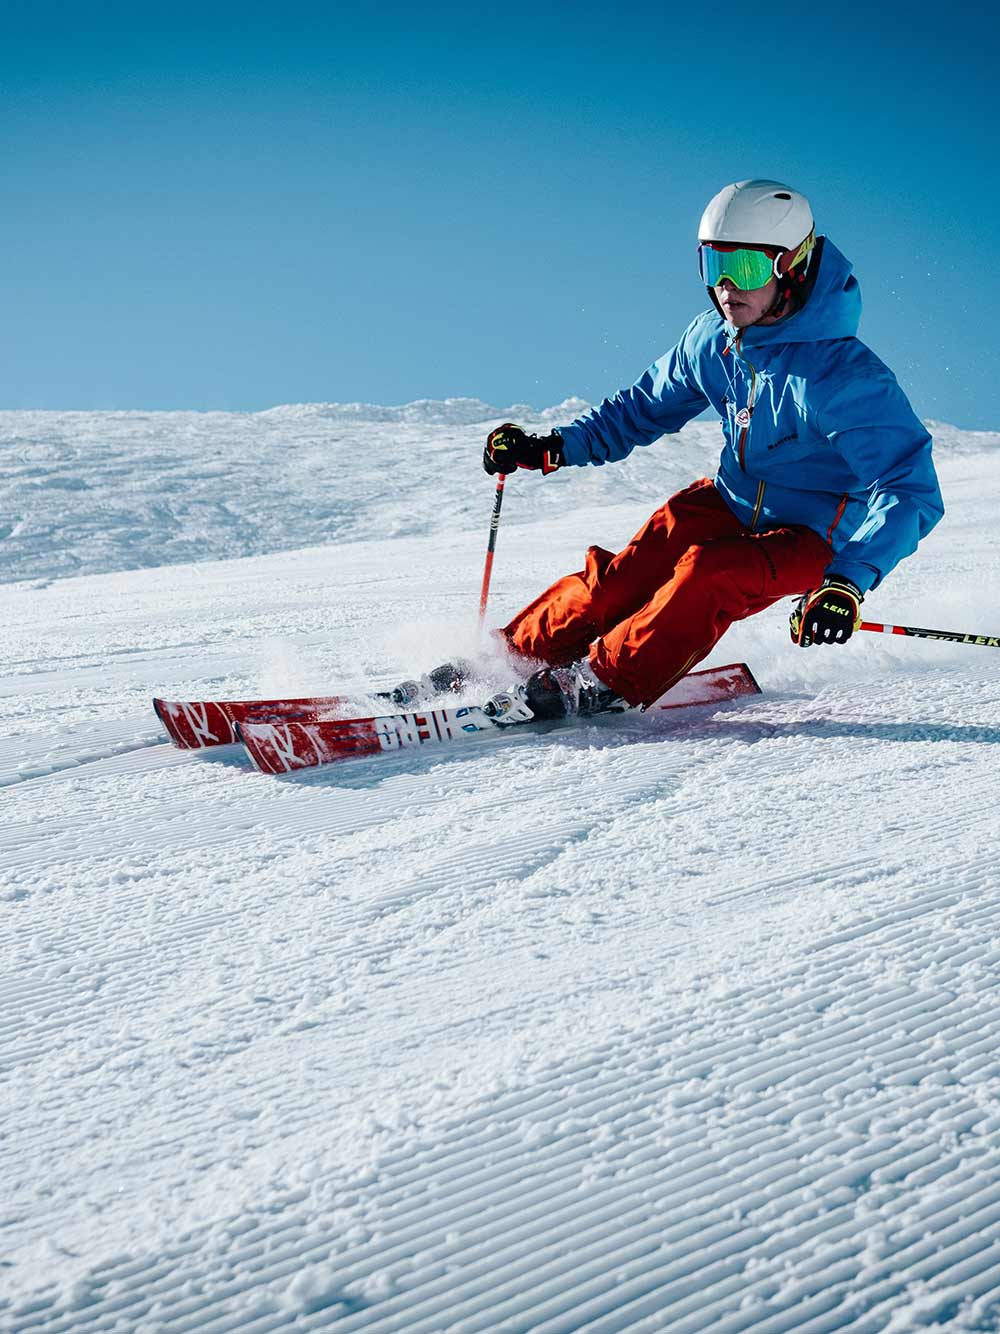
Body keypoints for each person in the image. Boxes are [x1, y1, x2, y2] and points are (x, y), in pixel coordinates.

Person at [481, 178, 944, 722]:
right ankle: (507, 658)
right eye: (712, 265)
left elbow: (908, 490)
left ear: (791, 265)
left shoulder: (844, 378)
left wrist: (848, 581)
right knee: (622, 580)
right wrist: (552, 446)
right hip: (728, 500)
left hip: (813, 536)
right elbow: (639, 409)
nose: (726, 287)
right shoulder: (713, 339)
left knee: (710, 572)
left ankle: (600, 682)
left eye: (745, 268)